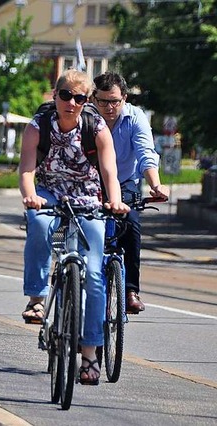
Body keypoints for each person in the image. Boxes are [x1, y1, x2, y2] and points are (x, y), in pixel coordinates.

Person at [19, 69, 130, 385]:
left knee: (94, 272)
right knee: (39, 225)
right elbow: (27, 170)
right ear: (55, 95)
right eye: (65, 95)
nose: (71, 103)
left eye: (79, 98)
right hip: (48, 192)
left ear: (87, 100)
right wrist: (30, 197)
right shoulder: (37, 126)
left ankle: (90, 356)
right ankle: (37, 299)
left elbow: (109, 172)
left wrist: (116, 201)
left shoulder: (95, 128)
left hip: (87, 197)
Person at [92, 71, 170, 314]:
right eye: (102, 101)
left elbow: (146, 153)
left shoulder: (136, 117)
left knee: (132, 224)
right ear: (94, 98)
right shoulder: (87, 116)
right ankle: (74, 276)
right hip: (90, 182)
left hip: (125, 182)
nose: (108, 107)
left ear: (124, 98)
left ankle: (130, 291)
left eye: (114, 101)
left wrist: (156, 185)